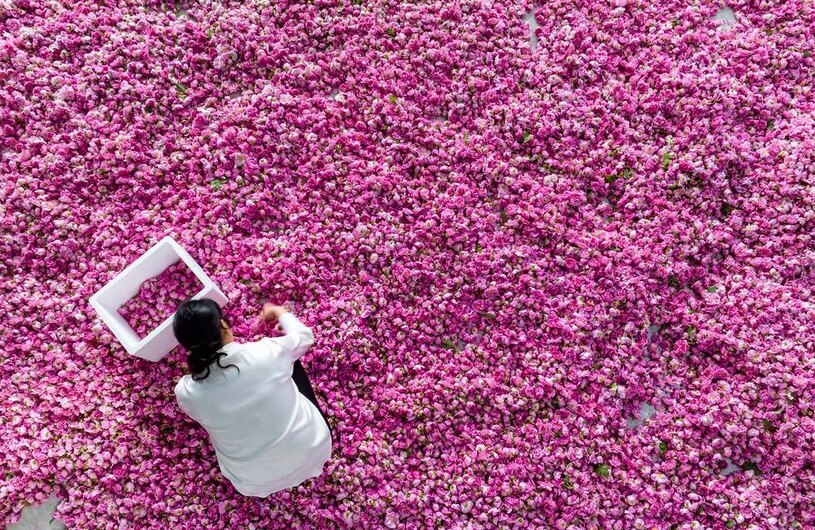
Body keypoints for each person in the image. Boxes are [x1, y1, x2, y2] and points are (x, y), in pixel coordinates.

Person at [171, 298, 332, 497]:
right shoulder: (265, 353)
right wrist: (280, 312)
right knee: (290, 361)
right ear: (223, 325)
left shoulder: (186, 392)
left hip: (252, 483)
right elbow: (305, 336)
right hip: (314, 449)